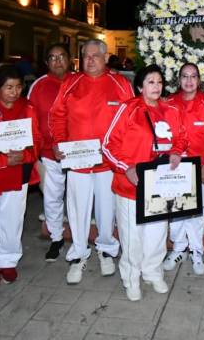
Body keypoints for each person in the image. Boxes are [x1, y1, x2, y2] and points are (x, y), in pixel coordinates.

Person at [50, 39, 134, 284]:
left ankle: (107, 249)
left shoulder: (120, 83)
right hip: (77, 162)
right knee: (77, 210)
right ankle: (78, 254)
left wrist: (125, 157)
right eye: (86, 55)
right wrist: (58, 143)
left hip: (108, 163)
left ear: (106, 58)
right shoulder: (70, 82)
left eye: (95, 55)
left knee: (107, 210)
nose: (90, 60)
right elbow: (57, 116)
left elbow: (131, 119)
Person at [102, 65, 186, 301]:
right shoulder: (128, 109)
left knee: (157, 233)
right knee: (132, 236)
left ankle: (152, 271)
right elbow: (108, 145)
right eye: (150, 82)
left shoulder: (170, 110)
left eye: (159, 82)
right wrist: (125, 167)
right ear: (140, 86)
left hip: (159, 185)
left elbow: (181, 137)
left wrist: (177, 152)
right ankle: (131, 277)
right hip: (131, 185)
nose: (156, 86)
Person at [0, 65, 41, 286]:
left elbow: (37, 138)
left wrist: (26, 155)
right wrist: (0, 159)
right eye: (8, 87)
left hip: (18, 170)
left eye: (18, 87)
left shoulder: (28, 107)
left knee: (13, 217)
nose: (14, 92)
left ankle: (8, 260)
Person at [164, 63, 204, 276]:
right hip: (175, 168)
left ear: (199, 79)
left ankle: (197, 251)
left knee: (198, 214)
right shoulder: (168, 102)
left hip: (202, 167)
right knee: (176, 211)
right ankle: (179, 249)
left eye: (193, 76)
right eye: (185, 76)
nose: (189, 80)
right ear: (179, 80)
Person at [29, 44, 73, 260]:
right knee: (52, 198)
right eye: (52, 57)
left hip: (77, 155)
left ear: (70, 59)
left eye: (61, 56)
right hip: (49, 154)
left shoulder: (79, 82)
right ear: (46, 62)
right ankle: (56, 238)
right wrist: (36, 155)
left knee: (77, 199)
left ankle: (80, 238)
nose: (57, 61)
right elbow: (31, 122)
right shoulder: (38, 86)